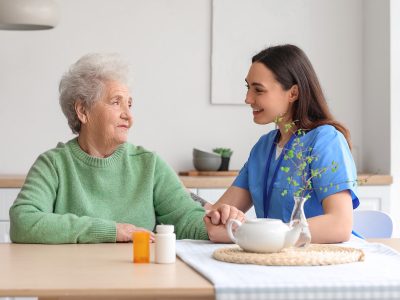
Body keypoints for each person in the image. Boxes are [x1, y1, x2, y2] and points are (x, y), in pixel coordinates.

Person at [9, 53, 241, 244]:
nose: (128, 116)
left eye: (129, 105)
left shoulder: (149, 164)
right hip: (70, 281)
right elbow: (23, 222)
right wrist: (112, 231)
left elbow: (185, 217)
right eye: (116, 102)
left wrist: (212, 228)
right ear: (83, 111)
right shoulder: (54, 164)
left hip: (138, 281)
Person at [206, 44, 359, 243]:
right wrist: (221, 216)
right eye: (248, 88)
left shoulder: (325, 140)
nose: (247, 98)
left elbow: (339, 225)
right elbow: (216, 217)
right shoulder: (263, 147)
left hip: (323, 262)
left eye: (258, 90)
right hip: (275, 262)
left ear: (293, 93)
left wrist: (255, 235)